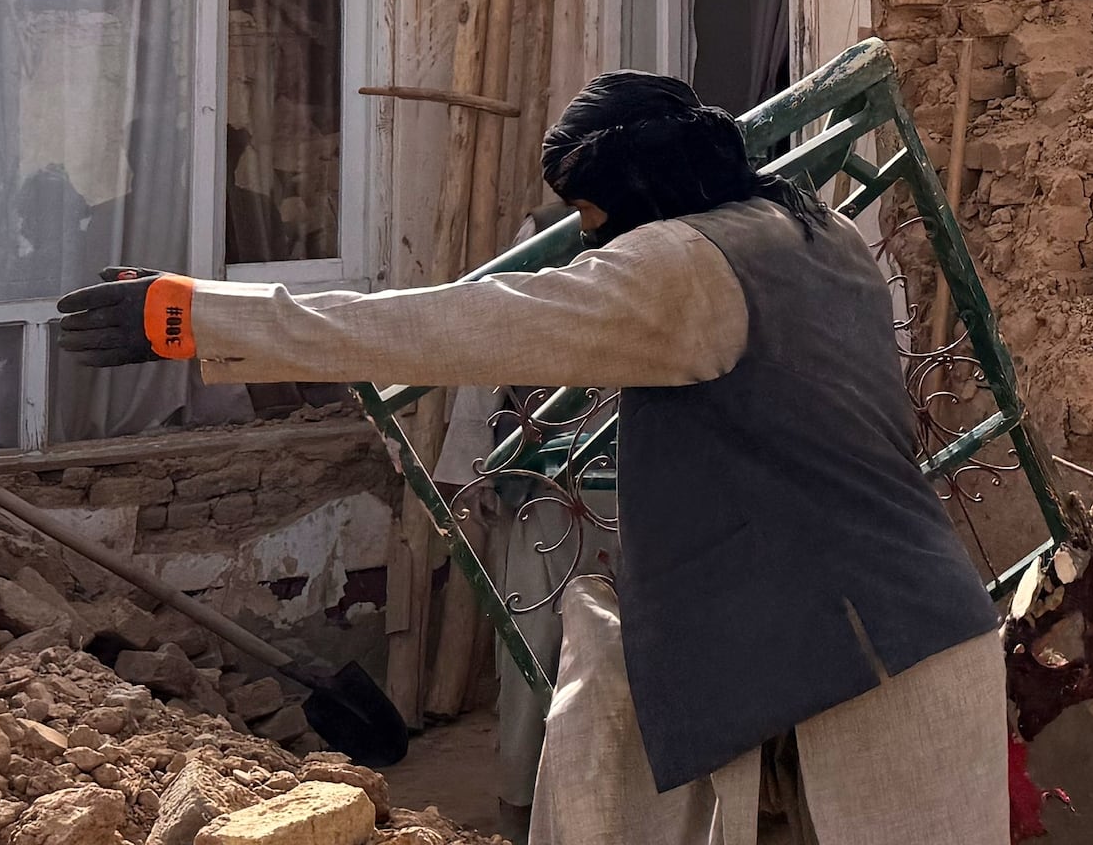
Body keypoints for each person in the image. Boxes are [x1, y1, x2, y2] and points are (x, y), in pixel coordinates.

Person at [52, 74, 1002, 845]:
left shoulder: (681, 268)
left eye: (588, 209)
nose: (584, 233)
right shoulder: (818, 228)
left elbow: (451, 326)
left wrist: (200, 316)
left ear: (638, 190)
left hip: (864, 649)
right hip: (900, 619)